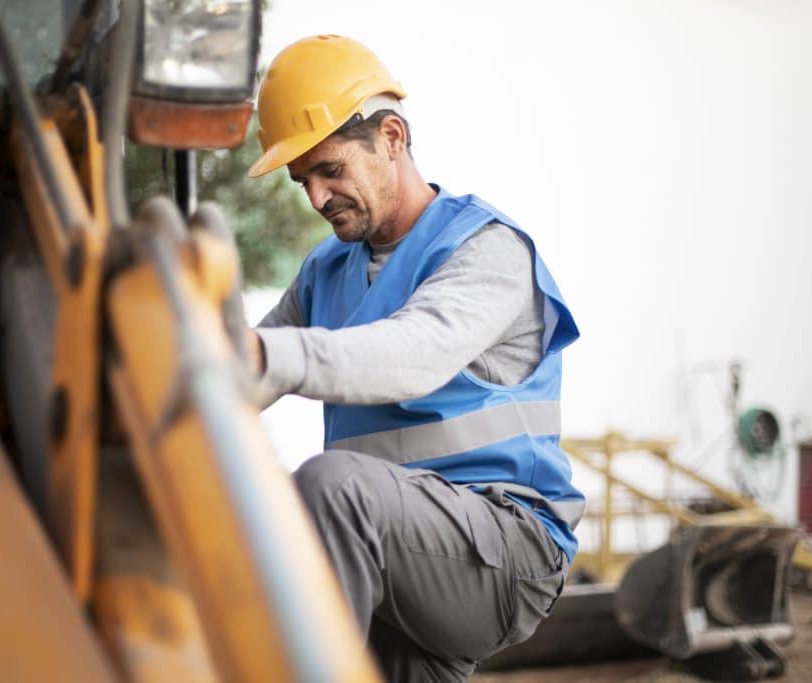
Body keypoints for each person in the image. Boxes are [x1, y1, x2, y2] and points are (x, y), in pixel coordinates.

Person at [246, 34, 585, 682]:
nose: (316, 198)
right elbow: (240, 373)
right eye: (303, 181)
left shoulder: (486, 251)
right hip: (392, 551)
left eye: (331, 170)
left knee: (330, 487)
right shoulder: (326, 270)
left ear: (392, 138)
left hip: (502, 547)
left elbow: (411, 352)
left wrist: (262, 352)